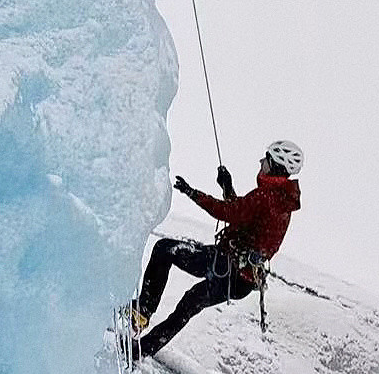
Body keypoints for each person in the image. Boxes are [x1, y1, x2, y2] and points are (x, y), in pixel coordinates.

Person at [126, 140, 303, 359]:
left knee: (165, 250)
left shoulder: (266, 198)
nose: (261, 162)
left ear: (276, 165)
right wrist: (227, 187)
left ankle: (142, 313)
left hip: (227, 266)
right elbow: (243, 214)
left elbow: (227, 212)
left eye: (266, 159)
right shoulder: (280, 200)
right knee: (189, 303)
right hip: (241, 279)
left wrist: (192, 193)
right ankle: (140, 350)